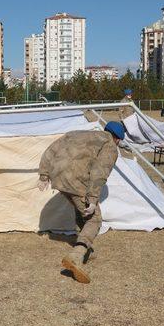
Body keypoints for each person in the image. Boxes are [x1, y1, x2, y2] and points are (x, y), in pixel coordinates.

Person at [37, 121, 126, 284]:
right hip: (76, 179)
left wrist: (44, 175)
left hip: (57, 175)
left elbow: (51, 149)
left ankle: (86, 250)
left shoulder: (77, 133)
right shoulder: (110, 145)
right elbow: (100, 172)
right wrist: (92, 200)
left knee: (81, 211)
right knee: (94, 218)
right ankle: (76, 256)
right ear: (118, 139)